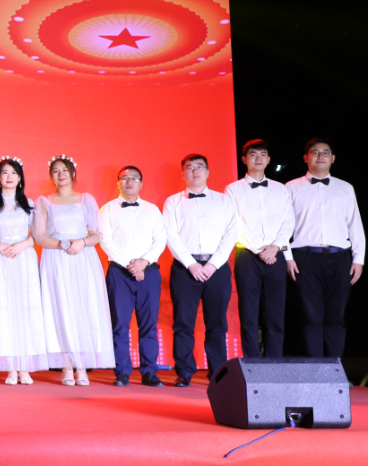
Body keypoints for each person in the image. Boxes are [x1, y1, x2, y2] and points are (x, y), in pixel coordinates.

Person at [35, 155, 114, 386]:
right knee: (60, 308)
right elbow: (39, 236)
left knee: (83, 307)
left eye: (64, 170)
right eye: (56, 171)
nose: (61, 175)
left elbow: (96, 235)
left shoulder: (86, 199)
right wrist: (61, 244)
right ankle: (66, 366)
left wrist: (81, 242)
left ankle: (82, 366)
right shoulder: (44, 201)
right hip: (56, 258)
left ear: (72, 173)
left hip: (82, 258)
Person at [163, 153, 239, 387]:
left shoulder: (224, 200)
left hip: (217, 268)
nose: (195, 171)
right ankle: (184, 371)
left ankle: (218, 372)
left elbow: (231, 234)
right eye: (190, 167)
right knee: (183, 323)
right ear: (183, 173)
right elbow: (171, 235)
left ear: (208, 172)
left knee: (217, 324)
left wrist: (213, 264)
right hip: (185, 268)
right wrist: (191, 264)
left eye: (199, 167)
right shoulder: (172, 202)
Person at [286, 138, 366, 359]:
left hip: (340, 258)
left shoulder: (345, 188)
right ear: (306, 158)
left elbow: (355, 224)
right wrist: (287, 257)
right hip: (304, 258)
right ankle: (316, 371)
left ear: (333, 158)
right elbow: (283, 226)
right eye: (315, 152)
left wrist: (358, 259)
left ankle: (335, 369)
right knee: (311, 317)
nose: (320, 156)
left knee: (336, 316)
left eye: (325, 152)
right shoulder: (291, 187)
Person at [98, 166, 167, 387]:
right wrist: (130, 264)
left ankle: (149, 371)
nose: (129, 182)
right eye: (124, 178)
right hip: (119, 272)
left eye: (134, 178)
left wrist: (143, 262)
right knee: (119, 324)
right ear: (118, 182)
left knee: (149, 324)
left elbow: (160, 239)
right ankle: (122, 372)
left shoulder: (152, 210)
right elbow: (105, 240)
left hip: (149, 272)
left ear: (141, 183)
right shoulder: (107, 209)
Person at [225, 140, 294, 359]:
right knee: (249, 313)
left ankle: (275, 361)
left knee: (275, 313)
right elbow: (234, 223)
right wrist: (259, 249)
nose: (258, 159)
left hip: (276, 254)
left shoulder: (280, 189)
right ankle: (253, 363)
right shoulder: (232, 189)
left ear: (269, 160)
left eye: (263, 154)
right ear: (244, 159)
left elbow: (288, 221)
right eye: (253, 155)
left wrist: (274, 247)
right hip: (247, 255)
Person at [0, 158, 47, 385]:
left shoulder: (29, 204)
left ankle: (25, 367)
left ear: (20, 178)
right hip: (0, 260)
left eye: (14, 173)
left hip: (24, 259)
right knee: (4, 309)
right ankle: (10, 367)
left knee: (25, 309)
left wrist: (21, 245)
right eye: (4, 172)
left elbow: (39, 235)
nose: (9, 176)